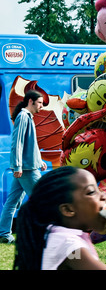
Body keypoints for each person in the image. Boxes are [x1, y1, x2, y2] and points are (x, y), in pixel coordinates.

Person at [13, 166, 106, 270]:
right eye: (91, 192)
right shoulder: (69, 247)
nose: (103, 195)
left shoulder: (58, 238)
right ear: (68, 210)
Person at [0, 90, 47, 244]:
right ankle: (42, 233)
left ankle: (4, 234)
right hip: (26, 169)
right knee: (42, 199)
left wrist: (40, 161)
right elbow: (17, 142)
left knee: (12, 201)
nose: (41, 106)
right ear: (30, 102)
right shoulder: (23, 117)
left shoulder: (27, 117)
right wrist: (17, 166)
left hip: (28, 167)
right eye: (39, 102)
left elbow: (30, 144)